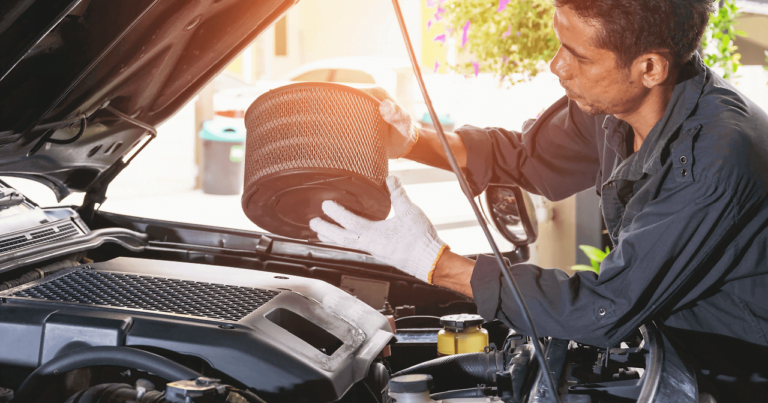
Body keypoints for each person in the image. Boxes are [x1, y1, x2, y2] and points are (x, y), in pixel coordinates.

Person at [310, 0, 768, 400]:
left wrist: (433, 260)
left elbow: (604, 309)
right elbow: (529, 158)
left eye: (578, 56)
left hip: (737, 373)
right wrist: (412, 140)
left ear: (650, 67)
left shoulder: (713, 162)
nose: (556, 66)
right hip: (672, 351)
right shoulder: (618, 104)